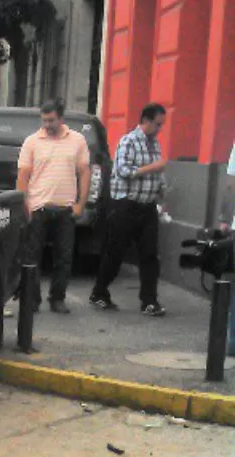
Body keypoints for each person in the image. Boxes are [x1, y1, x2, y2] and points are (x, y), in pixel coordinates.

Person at [89, 103, 169, 316]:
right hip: (126, 206)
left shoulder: (155, 144)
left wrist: (162, 194)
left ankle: (149, 301)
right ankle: (99, 292)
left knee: (150, 254)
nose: (160, 129)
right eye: (158, 124)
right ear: (146, 121)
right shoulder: (128, 141)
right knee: (115, 252)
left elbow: (159, 174)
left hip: (148, 206)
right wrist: (153, 168)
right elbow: (123, 170)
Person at [16, 99, 92, 314]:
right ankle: (32, 299)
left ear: (61, 118)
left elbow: (85, 172)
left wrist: (80, 204)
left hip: (65, 208)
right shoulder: (32, 142)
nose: (47, 125)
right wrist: (25, 206)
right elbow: (23, 175)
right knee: (32, 257)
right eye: (44, 120)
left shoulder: (77, 140)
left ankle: (57, 298)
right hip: (38, 207)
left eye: (51, 120)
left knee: (64, 258)